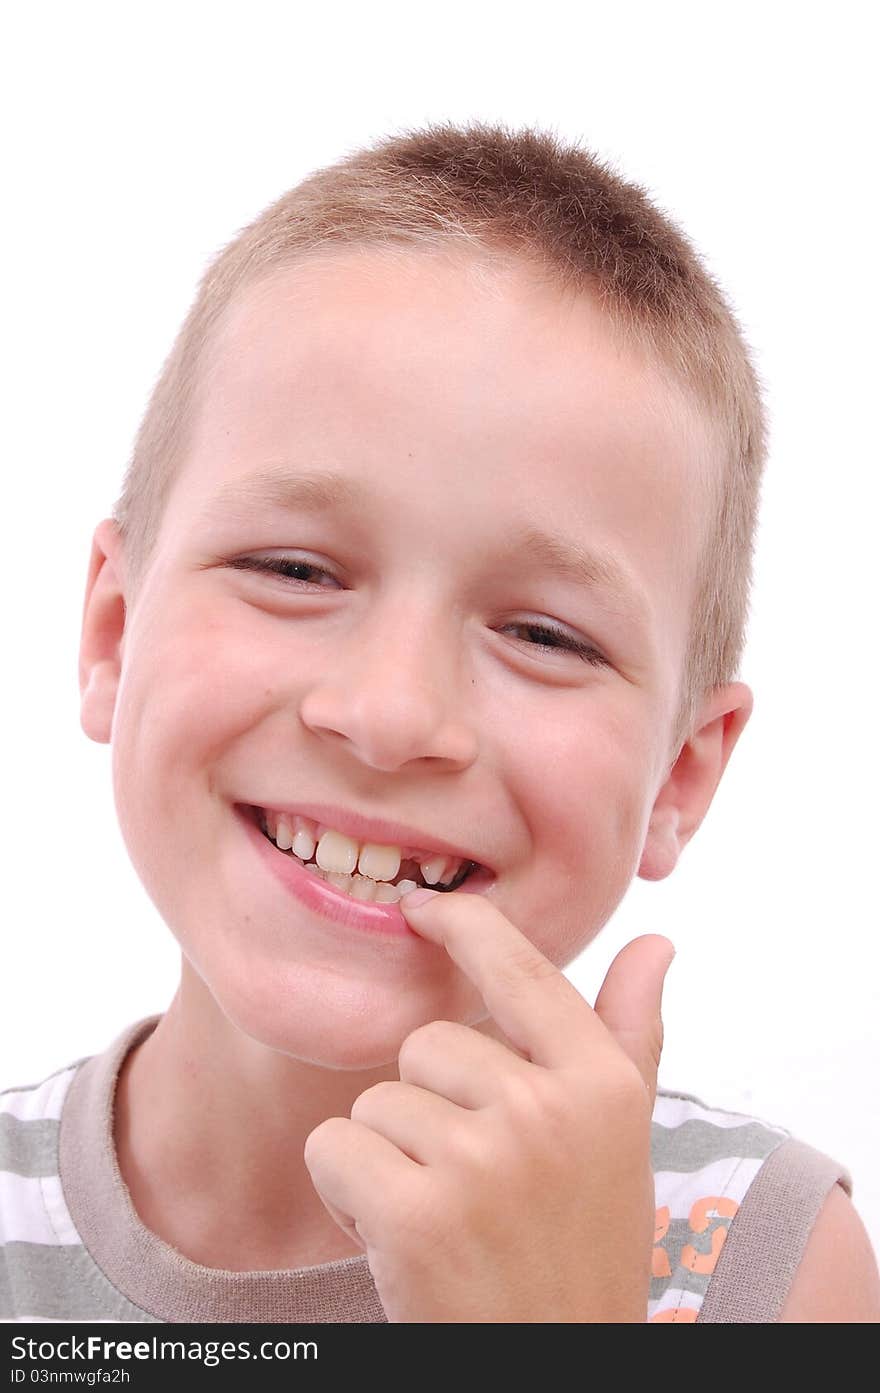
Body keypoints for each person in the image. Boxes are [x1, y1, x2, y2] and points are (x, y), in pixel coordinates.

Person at [2, 120, 878, 1325]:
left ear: (679, 774)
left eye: (544, 636)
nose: (391, 714)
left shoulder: (762, 1266)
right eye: (294, 568)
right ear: (110, 631)